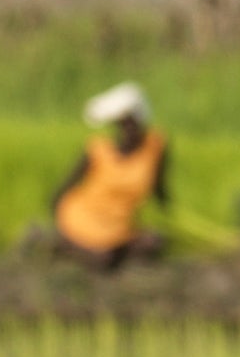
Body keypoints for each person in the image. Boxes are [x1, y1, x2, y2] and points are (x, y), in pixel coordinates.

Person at [46, 83, 173, 266]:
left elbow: (159, 187)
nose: (130, 130)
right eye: (124, 124)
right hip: (86, 216)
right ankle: (61, 243)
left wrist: (170, 216)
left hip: (120, 224)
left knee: (153, 243)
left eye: (132, 123)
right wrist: (56, 211)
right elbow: (67, 185)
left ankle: (106, 249)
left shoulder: (154, 148)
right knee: (103, 259)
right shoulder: (99, 151)